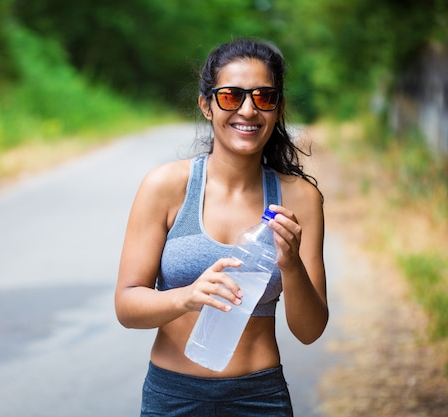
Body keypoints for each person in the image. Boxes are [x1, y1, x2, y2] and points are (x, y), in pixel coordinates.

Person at [115, 38, 328, 416]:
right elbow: (127, 305)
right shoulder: (165, 186)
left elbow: (309, 331)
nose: (248, 109)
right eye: (231, 96)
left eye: (264, 97)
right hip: (172, 398)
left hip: (259, 398)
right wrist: (187, 297)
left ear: (278, 109)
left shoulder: (300, 198)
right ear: (207, 105)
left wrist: (291, 264)